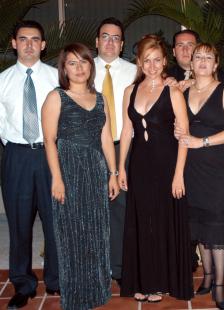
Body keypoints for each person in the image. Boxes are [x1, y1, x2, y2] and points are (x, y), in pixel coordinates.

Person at [41, 42, 119, 309]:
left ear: (91, 65)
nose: (78, 68)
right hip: (69, 172)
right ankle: (75, 296)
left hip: (96, 172)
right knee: (71, 234)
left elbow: (106, 138)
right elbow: (49, 141)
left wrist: (113, 173)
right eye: (72, 63)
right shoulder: (56, 97)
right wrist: (57, 178)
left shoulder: (100, 99)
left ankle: (96, 291)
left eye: (83, 62)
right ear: (63, 68)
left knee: (96, 232)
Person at [118, 35, 193, 302]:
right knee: (141, 221)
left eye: (157, 60)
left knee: (162, 223)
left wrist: (179, 174)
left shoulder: (172, 92)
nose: (152, 65)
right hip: (139, 164)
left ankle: (159, 282)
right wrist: (120, 168)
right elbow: (127, 131)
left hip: (167, 163)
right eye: (146, 60)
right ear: (139, 62)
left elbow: (184, 135)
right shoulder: (130, 91)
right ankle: (142, 280)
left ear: (165, 62)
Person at [169, 28, 224, 278]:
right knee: (197, 221)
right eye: (198, 57)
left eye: (208, 58)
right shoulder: (181, 91)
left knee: (216, 222)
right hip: (190, 166)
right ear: (191, 61)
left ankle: (219, 286)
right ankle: (208, 278)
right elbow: (176, 126)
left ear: (215, 64)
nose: (202, 61)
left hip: (216, 165)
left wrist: (203, 142)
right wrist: (178, 131)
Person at [0, 20, 59, 309]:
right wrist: (16, 145)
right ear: (14, 43)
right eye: (23, 39)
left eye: (35, 39)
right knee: (19, 224)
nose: (29, 44)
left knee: (55, 220)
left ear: (43, 44)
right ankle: (22, 284)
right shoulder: (2, 81)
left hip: (50, 155)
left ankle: (57, 279)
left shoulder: (57, 77)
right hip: (17, 156)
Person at [93, 17, 137, 285]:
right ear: (97, 41)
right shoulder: (82, 70)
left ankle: (120, 268)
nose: (110, 42)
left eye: (116, 38)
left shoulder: (135, 72)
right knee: (93, 209)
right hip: (91, 149)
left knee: (121, 208)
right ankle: (96, 268)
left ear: (122, 45)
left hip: (125, 147)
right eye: (105, 36)